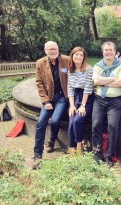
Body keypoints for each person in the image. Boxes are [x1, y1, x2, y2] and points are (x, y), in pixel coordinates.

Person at [32, 41, 69, 169]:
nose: (53, 51)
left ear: (58, 49)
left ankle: (52, 140)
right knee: (41, 123)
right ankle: (37, 155)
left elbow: (77, 72)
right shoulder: (40, 63)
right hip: (49, 98)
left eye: (54, 49)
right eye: (50, 49)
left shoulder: (66, 60)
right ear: (45, 50)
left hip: (62, 98)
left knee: (55, 121)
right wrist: (46, 101)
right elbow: (39, 83)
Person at [92, 41, 121, 168]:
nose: (108, 52)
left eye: (110, 50)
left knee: (112, 126)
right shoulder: (98, 66)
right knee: (96, 125)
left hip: (115, 101)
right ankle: (97, 155)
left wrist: (103, 82)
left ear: (115, 51)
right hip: (99, 100)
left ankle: (109, 156)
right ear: (103, 52)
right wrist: (113, 79)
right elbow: (96, 80)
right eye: (106, 50)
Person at [67, 47, 94, 152]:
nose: (78, 57)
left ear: (84, 58)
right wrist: (72, 105)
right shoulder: (70, 70)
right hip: (75, 96)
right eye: (76, 54)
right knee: (71, 120)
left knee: (77, 120)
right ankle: (71, 147)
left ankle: (79, 146)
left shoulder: (88, 69)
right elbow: (69, 88)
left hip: (86, 98)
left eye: (81, 55)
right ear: (72, 56)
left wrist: (82, 106)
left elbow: (88, 88)